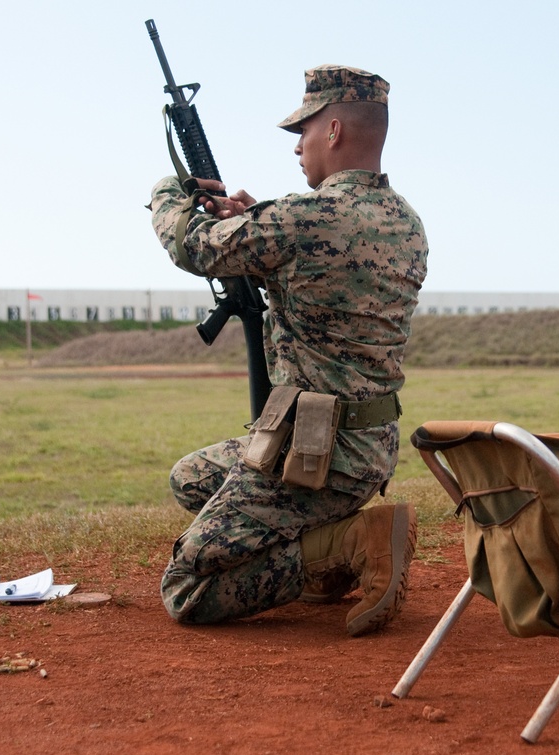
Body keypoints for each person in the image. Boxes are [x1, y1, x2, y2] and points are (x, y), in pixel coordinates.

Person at [147, 65, 429, 636]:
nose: (297, 147)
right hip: (369, 448)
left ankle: (347, 546)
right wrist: (256, 218)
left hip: (314, 457)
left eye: (304, 131)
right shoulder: (406, 222)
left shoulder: (303, 220)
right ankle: (335, 541)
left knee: (186, 589)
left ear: (332, 133)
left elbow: (195, 246)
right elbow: (316, 252)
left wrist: (166, 195)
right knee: (191, 480)